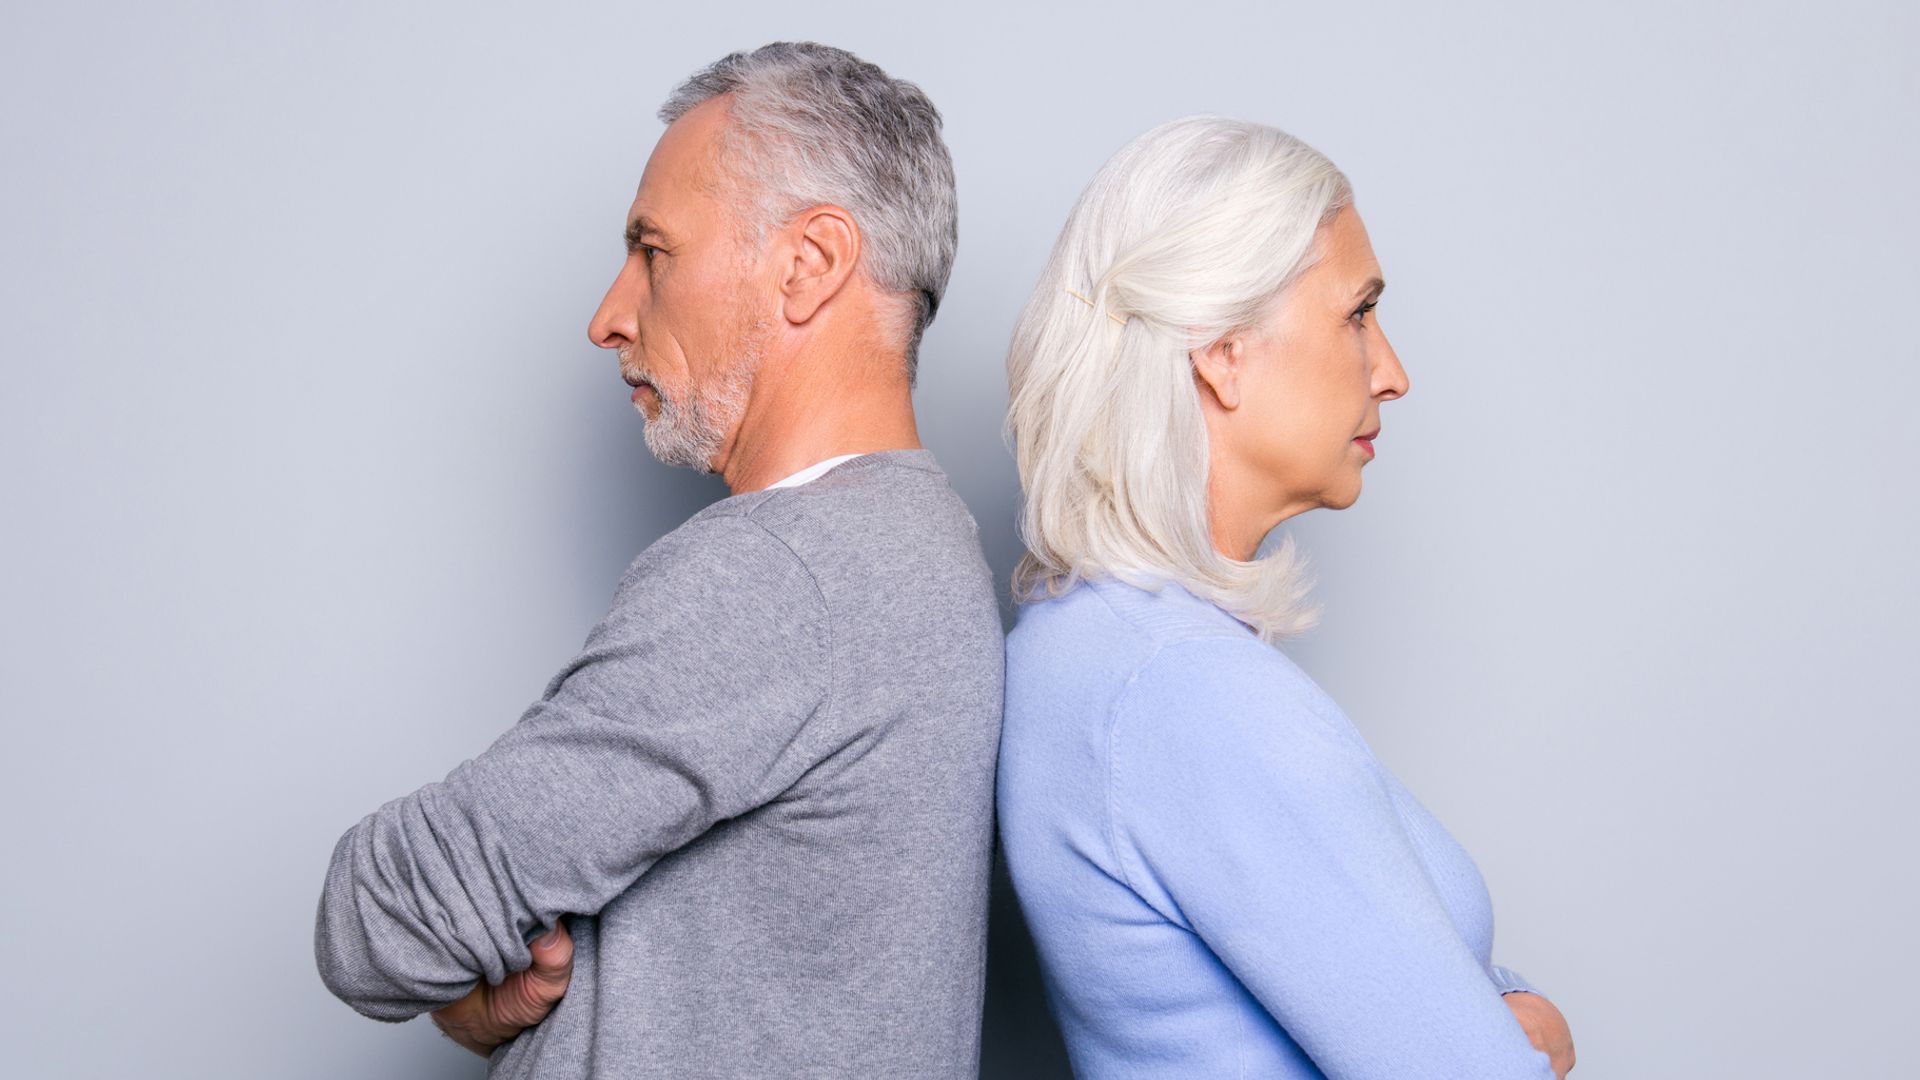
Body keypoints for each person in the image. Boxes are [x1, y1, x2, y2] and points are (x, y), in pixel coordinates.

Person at [313, 42, 1004, 1079]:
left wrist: (450, 957)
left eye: (654, 251)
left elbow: (377, 921)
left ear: (809, 265)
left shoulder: (779, 575)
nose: (610, 317)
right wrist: (488, 1002)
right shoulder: (925, 543)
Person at [995, 115, 1577, 1079]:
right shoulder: (1188, 694)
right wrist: (1525, 1030)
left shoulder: (1081, 641)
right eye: (1358, 314)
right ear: (1221, 348)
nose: (1391, 373)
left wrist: (1492, 1006)